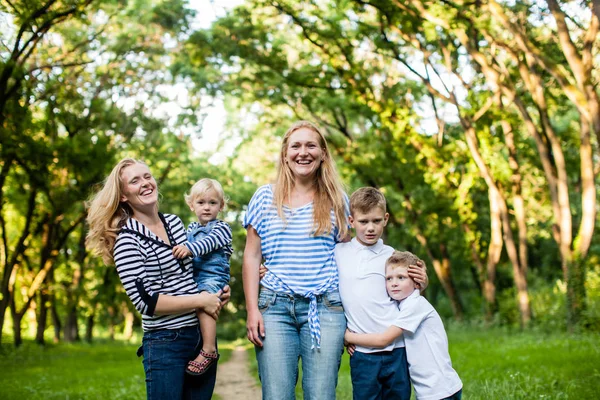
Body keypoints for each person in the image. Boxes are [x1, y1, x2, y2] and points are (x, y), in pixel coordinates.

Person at [86, 158, 230, 400]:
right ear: (123, 195)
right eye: (135, 181)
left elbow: (191, 272)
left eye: (147, 176)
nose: (145, 183)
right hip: (165, 343)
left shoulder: (174, 223)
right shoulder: (128, 241)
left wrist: (216, 294)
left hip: (199, 336)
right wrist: (200, 301)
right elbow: (147, 303)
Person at [243, 120, 349, 400]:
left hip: (325, 307)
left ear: (323, 153)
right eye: (296, 146)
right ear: (285, 154)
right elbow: (252, 257)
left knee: (321, 395)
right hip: (274, 308)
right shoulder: (265, 197)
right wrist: (253, 310)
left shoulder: (338, 199)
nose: (304, 152)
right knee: (277, 395)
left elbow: (353, 256)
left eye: (311, 145)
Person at [336, 187, 428, 400]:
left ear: (386, 219)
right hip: (362, 353)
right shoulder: (338, 253)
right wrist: (268, 270)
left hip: (397, 349)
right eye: (363, 221)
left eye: (376, 221)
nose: (370, 228)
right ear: (351, 220)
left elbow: (413, 289)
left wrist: (423, 281)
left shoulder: (393, 257)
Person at [344, 251, 463, 400]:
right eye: (388, 278)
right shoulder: (403, 305)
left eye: (401, 278)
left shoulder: (415, 305)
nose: (394, 283)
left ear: (417, 281)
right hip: (430, 389)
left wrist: (349, 336)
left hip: (440, 389)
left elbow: (383, 340)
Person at [172, 178, 233, 376]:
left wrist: (188, 249)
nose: (206, 208)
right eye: (201, 202)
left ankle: (209, 350)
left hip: (213, 276)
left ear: (221, 206)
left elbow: (209, 243)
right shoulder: (190, 229)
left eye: (212, 203)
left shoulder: (222, 228)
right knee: (192, 305)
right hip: (195, 276)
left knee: (204, 300)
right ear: (192, 205)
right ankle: (197, 345)